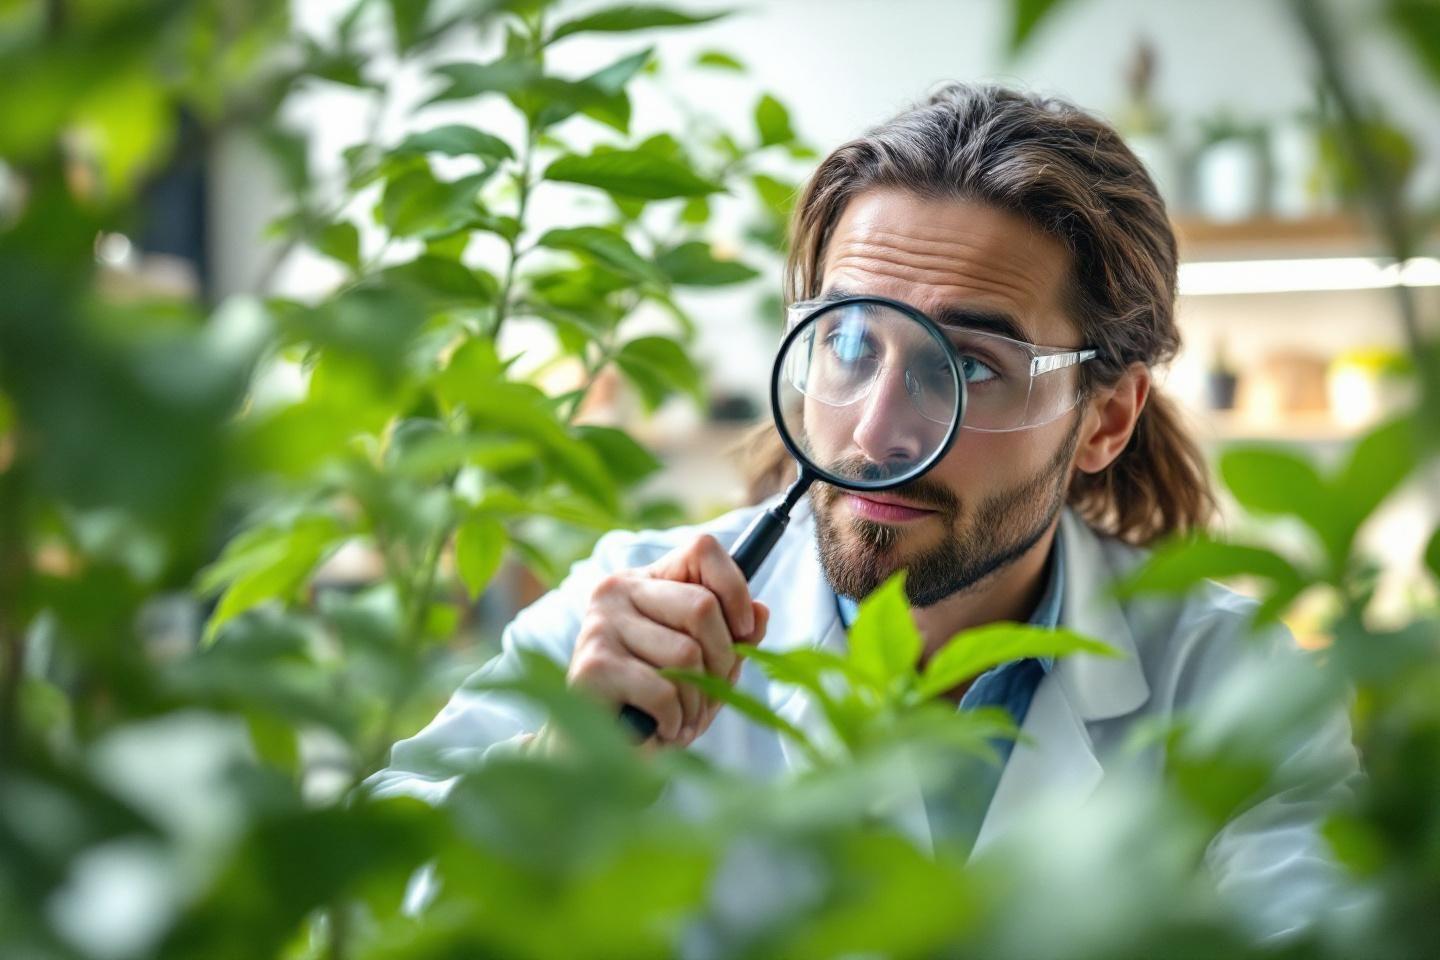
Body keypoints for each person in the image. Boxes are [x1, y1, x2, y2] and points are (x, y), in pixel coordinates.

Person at [366, 83, 1358, 938]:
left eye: (967, 363)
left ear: (1106, 420)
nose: (877, 430)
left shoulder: (1233, 682)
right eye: (847, 345)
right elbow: (359, 916)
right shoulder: (622, 617)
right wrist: (560, 766)